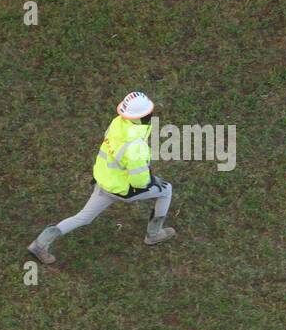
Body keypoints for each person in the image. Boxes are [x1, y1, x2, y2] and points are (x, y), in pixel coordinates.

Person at [27, 92, 175, 264]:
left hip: (104, 182)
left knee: (83, 218)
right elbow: (140, 182)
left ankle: (40, 244)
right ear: (143, 116)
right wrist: (151, 181)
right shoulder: (135, 147)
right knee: (166, 190)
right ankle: (154, 234)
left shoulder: (117, 124)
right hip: (124, 190)